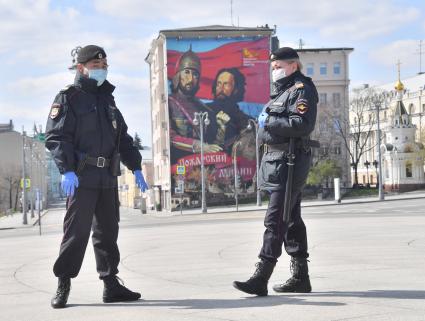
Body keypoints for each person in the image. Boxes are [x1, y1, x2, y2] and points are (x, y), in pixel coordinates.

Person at [45, 45, 149, 308]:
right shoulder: (69, 97)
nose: (101, 68)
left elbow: (122, 138)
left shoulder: (108, 99)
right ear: (81, 68)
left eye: (104, 65)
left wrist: (135, 166)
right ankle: (64, 283)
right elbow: (57, 137)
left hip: (106, 176)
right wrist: (66, 169)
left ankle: (111, 284)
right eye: (95, 65)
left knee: (107, 232)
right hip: (81, 176)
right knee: (76, 233)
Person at [233, 47, 319, 296]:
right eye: (272, 67)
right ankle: (301, 277)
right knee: (291, 219)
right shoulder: (282, 92)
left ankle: (262, 276)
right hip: (278, 161)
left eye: (277, 66)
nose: (274, 70)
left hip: (290, 161)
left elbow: (302, 124)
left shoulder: (302, 90)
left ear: (293, 65)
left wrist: (268, 122)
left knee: (276, 219)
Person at [168, 49, 222, 163]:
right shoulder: (169, 102)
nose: (191, 79)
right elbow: (170, 137)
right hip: (179, 166)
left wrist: (222, 128)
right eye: (187, 72)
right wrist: (199, 146)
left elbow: (213, 145)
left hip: (204, 169)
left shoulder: (204, 109)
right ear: (178, 75)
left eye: (195, 74)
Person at [207, 68, 252, 152]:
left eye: (226, 84)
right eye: (218, 84)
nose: (221, 88)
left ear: (236, 89)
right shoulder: (204, 112)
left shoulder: (246, 121)